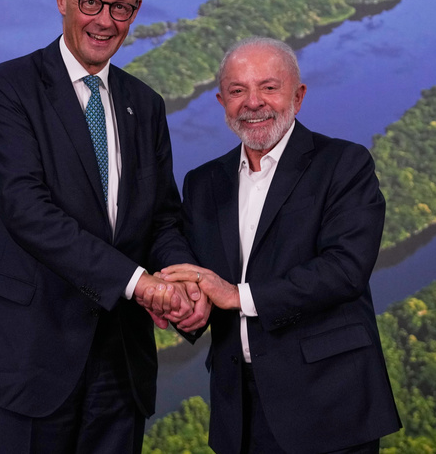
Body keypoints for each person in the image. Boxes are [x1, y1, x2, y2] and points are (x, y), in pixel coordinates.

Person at [0, 0, 208, 454]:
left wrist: (184, 280)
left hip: (120, 363)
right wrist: (141, 286)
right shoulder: (7, 89)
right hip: (29, 356)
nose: (105, 20)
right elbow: (26, 210)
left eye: (121, 8)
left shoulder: (146, 105)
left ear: (135, 13)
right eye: (91, 2)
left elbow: (161, 217)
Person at [160, 37, 401, 454]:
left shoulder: (344, 164)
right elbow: (187, 263)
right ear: (221, 102)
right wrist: (182, 299)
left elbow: (344, 270)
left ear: (298, 95)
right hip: (239, 412)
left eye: (268, 87)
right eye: (237, 91)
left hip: (329, 406)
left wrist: (236, 295)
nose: (253, 102)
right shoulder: (202, 184)